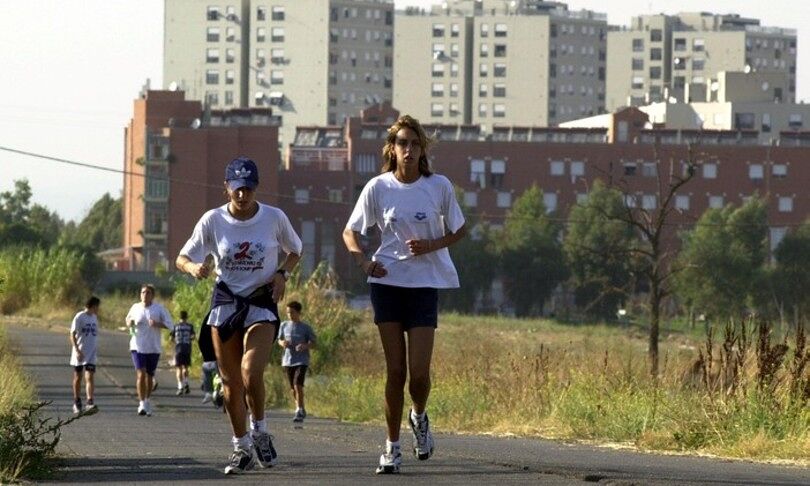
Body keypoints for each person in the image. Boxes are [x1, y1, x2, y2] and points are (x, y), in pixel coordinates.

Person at [343, 114, 466, 474]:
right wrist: (364, 263)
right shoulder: (378, 188)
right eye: (402, 144)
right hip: (387, 284)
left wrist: (431, 244)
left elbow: (459, 229)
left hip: (424, 285)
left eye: (414, 144)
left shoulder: (438, 186)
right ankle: (391, 447)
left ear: (421, 149)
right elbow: (351, 232)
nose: (408, 150)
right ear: (392, 150)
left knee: (419, 375)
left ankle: (420, 416)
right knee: (395, 371)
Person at [176, 156, 302, 475]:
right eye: (236, 189)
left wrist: (282, 275)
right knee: (231, 383)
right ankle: (241, 446)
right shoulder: (212, 221)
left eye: (247, 189)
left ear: (256, 187)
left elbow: (295, 250)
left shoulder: (274, 218)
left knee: (250, 370)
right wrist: (194, 267)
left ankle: (260, 431)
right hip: (226, 302)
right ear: (226, 188)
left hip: (261, 301)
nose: (242, 196)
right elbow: (182, 257)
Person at [125, 284, 174, 417]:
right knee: (141, 374)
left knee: (149, 377)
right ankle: (141, 403)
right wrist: (130, 322)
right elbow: (128, 319)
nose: (144, 295)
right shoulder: (135, 307)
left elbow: (170, 324)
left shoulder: (159, 309)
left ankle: (147, 401)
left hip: (153, 347)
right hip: (137, 346)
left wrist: (157, 324)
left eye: (147, 293)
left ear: (152, 295)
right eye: (142, 292)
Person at [277, 301, 316, 423]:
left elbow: (314, 343)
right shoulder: (283, 325)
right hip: (288, 360)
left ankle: (298, 410)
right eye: (288, 312)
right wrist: (282, 343)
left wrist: (305, 346)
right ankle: (300, 407)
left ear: (299, 313)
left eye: (292, 312)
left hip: (301, 360)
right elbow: (279, 339)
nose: (290, 315)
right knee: (293, 388)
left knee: (297, 384)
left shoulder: (305, 327)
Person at [69, 296, 101, 416]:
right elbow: (72, 334)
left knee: (90, 376)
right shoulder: (79, 317)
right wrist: (77, 350)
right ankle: (76, 401)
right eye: (97, 307)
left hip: (91, 353)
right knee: (78, 377)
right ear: (93, 306)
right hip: (80, 352)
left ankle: (89, 401)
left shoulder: (94, 318)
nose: (98, 309)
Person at [171, 310, 196, 395]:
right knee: (185, 367)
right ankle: (186, 382)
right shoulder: (190, 326)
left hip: (178, 349)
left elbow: (171, 338)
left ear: (180, 317)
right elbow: (193, 336)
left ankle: (180, 386)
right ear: (187, 317)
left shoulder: (176, 326)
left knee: (178, 368)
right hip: (187, 348)